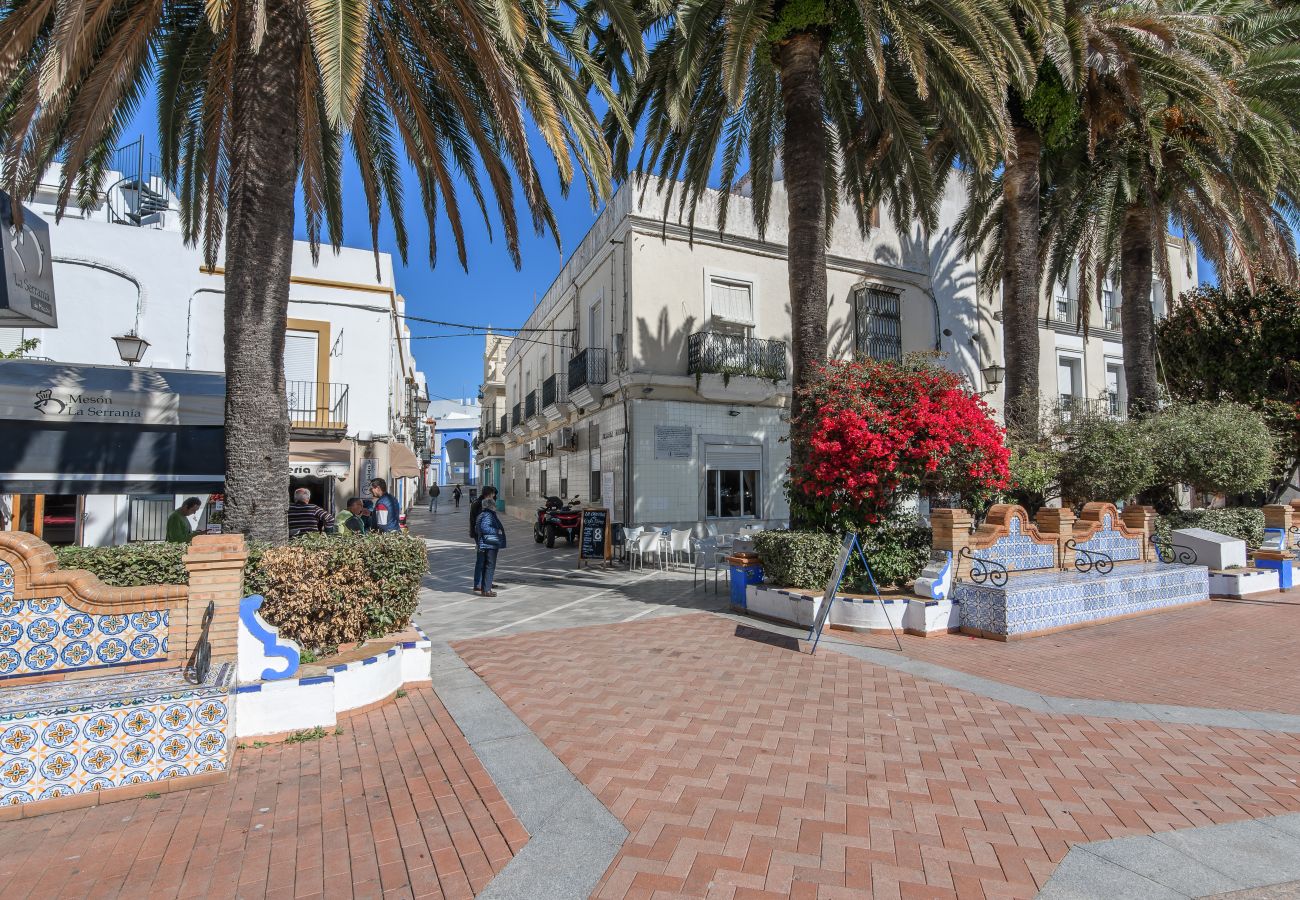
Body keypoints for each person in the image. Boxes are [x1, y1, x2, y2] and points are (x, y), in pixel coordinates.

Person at [473, 486, 505, 596]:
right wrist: (497, 531)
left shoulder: (483, 514)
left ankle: (485, 587)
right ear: (491, 506)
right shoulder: (487, 515)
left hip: (485, 543)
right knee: (489, 565)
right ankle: (486, 590)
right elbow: (484, 528)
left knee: (486, 565)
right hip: (489, 544)